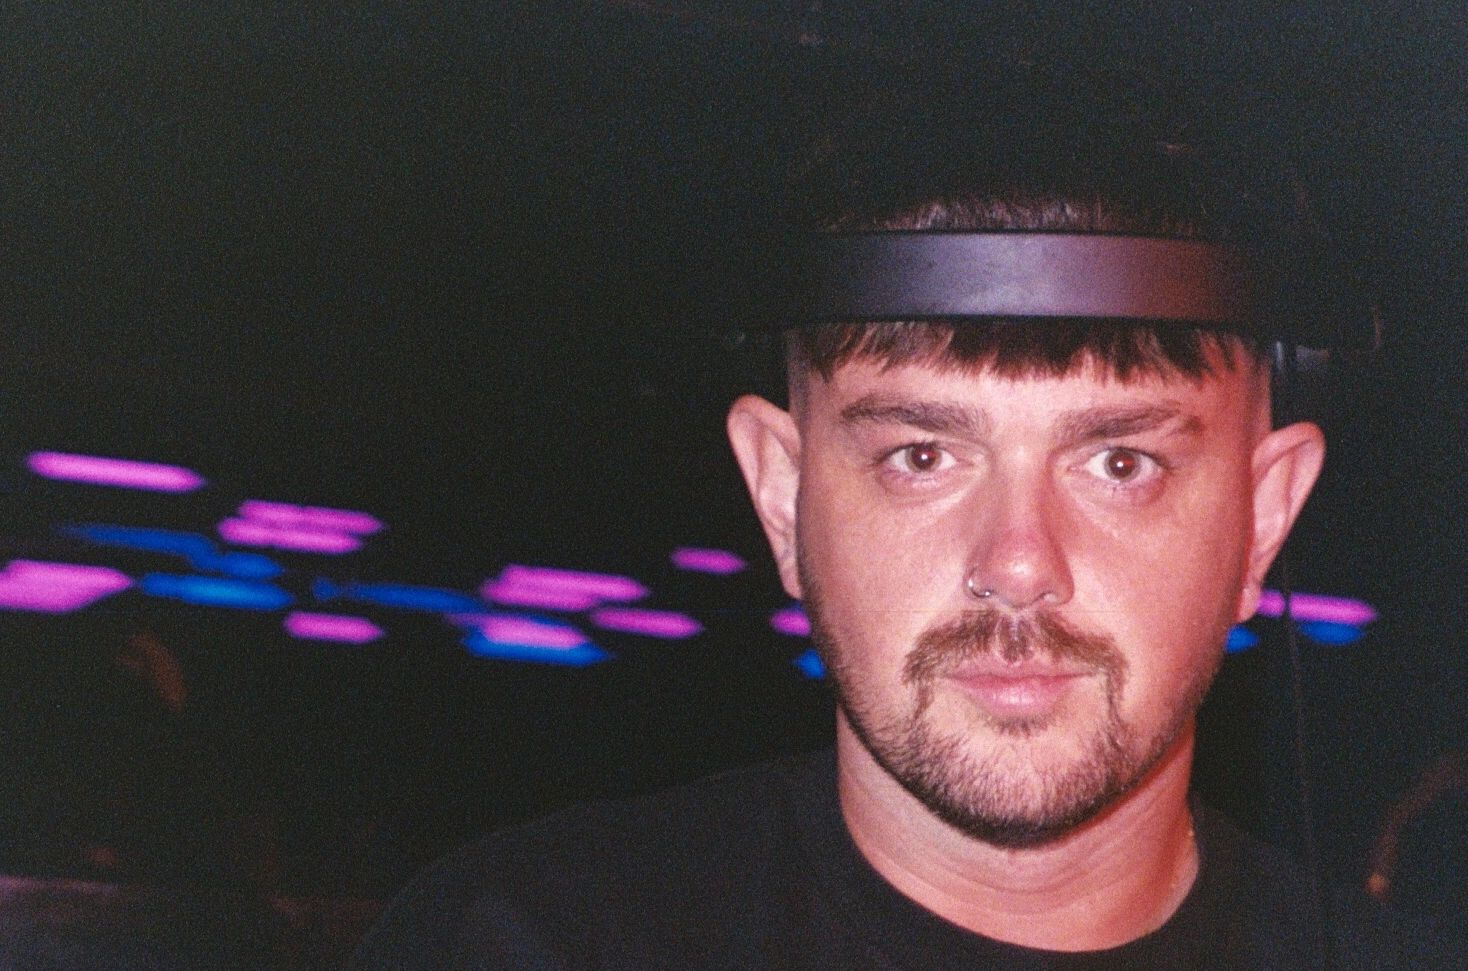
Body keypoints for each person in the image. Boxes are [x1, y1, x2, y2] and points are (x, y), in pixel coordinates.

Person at [351, 89, 1460, 968]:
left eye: (1120, 462)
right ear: (783, 495)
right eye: (920, 456)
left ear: (1263, 514)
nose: (1018, 563)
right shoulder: (517, 940)